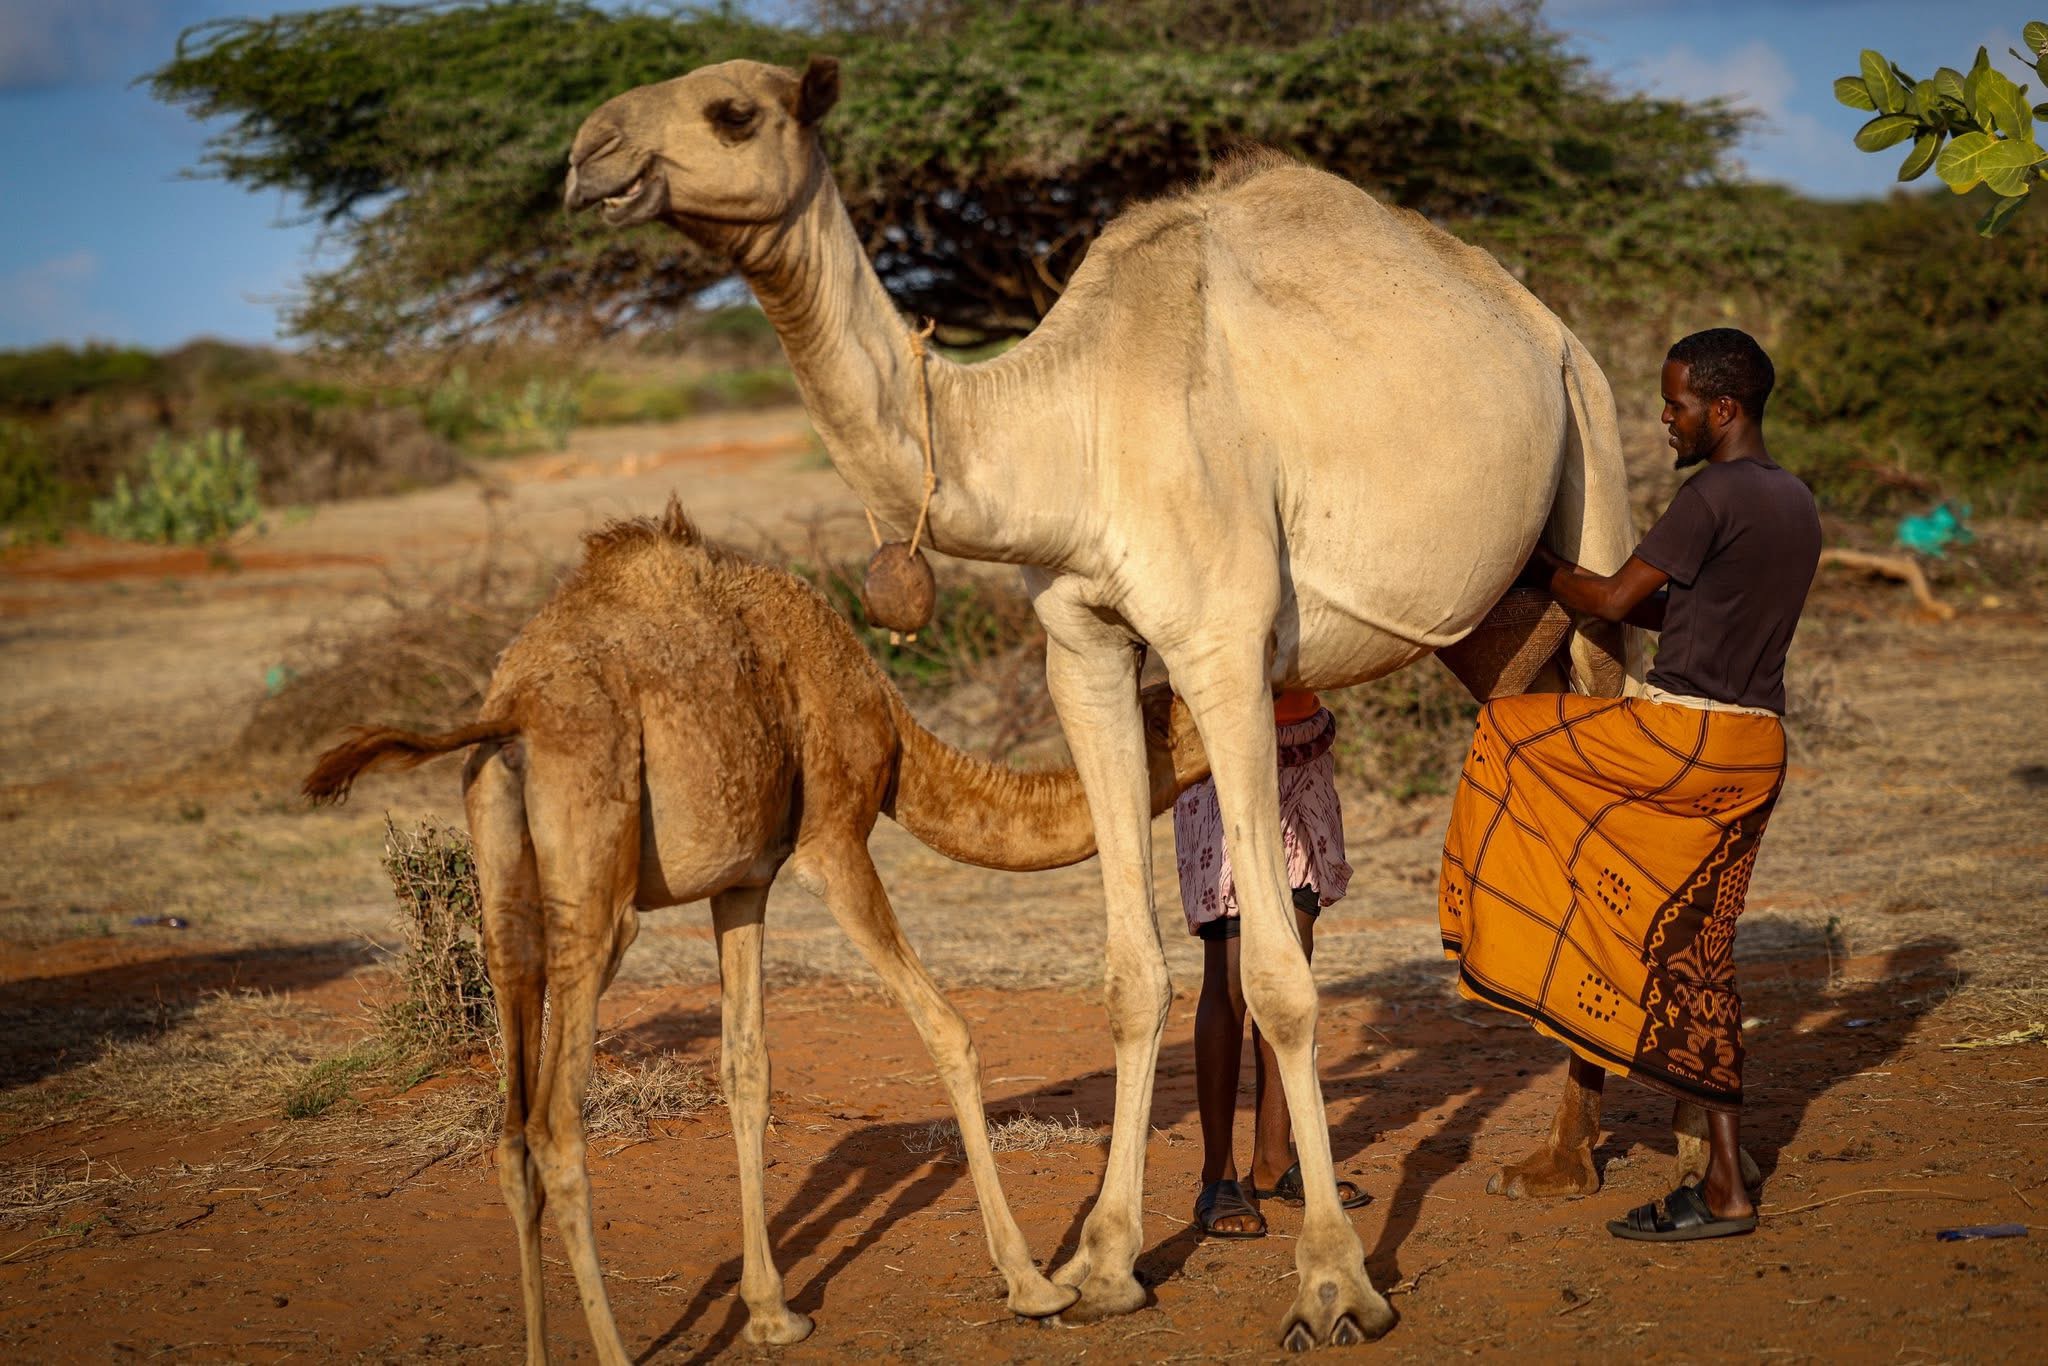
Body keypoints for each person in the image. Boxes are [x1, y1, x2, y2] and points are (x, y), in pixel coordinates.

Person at [1438, 328, 1821, 1242]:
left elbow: (1610, 603)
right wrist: (1603, 590)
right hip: (1755, 750)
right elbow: (1674, 605)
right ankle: (1724, 1183)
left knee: (1506, 736)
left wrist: (1531, 563)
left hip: (1678, 740)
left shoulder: (1710, 493)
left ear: (1722, 410)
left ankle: (1509, 936)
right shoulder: (1794, 501)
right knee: (1699, 957)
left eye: (1678, 402)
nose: (1666, 416)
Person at [1179, 687, 1371, 1237]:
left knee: (1291, 968)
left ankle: (1274, 1158)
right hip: (1218, 745)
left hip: (1302, 745)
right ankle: (1218, 1175)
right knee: (1233, 976)